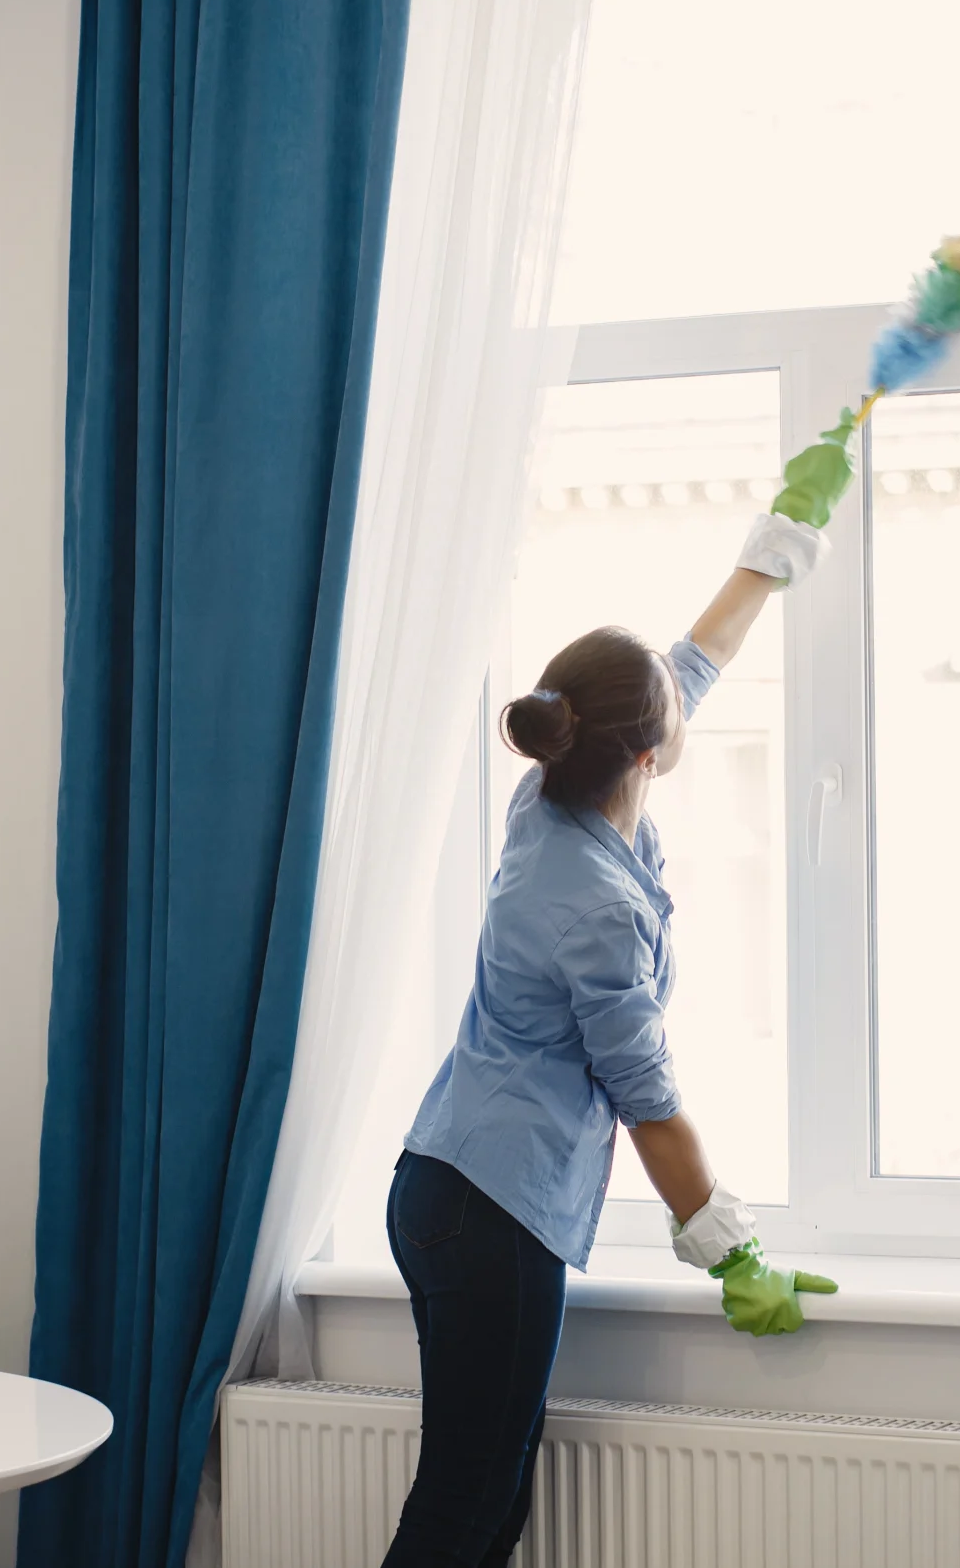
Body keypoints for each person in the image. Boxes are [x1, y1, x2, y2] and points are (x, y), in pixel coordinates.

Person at [379, 512, 841, 1568]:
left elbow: (694, 660)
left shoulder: (548, 794)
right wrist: (733, 1251)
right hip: (490, 1212)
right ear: (645, 752)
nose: (686, 699)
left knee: (489, 1504)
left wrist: (777, 545)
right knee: (462, 1509)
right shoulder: (593, 903)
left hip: (448, 1188)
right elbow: (646, 1097)